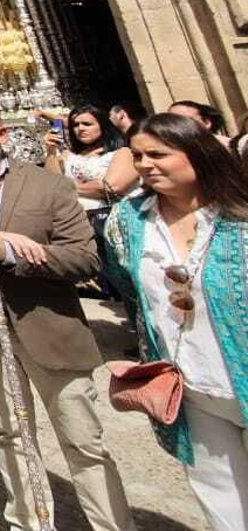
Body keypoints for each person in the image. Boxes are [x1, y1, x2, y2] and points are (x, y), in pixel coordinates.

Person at [0, 102, 134, 531]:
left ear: (3, 136)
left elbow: (84, 259)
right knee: (10, 433)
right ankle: (28, 522)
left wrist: (12, 252)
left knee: (82, 440)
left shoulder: (47, 185)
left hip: (49, 326)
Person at [106, 114, 248, 531]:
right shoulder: (129, 221)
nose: (146, 164)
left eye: (158, 154)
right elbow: (126, 284)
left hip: (239, 372)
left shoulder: (238, 216)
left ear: (197, 155)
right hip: (189, 385)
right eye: (137, 155)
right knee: (219, 497)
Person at [46, 105, 141, 307]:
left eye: (87, 123)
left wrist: (66, 186)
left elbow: (111, 187)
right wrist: (51, 152)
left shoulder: (122, 152)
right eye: (75, 125)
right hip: (81, 224)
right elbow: (50, 183)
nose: (80, 128)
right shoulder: (70, 156)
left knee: (127, 281)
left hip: (112, 221)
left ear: (102, 126)